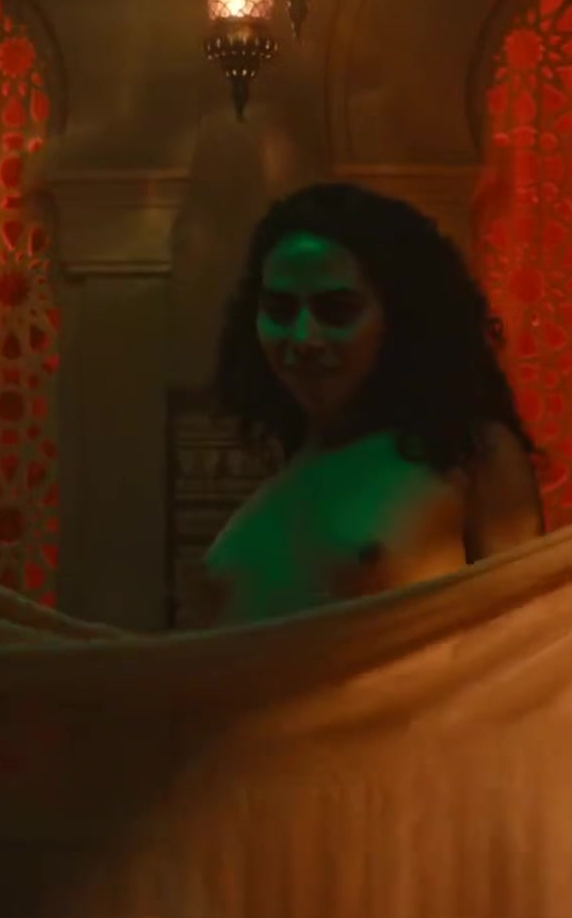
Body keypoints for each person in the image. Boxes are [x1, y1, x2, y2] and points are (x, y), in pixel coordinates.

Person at [196, 183, 545, 626]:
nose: (303, 338)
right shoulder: (277, 481)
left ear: (400, 320)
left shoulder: (471, 454)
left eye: (337, 311)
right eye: (280, 310)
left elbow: (530, 640)